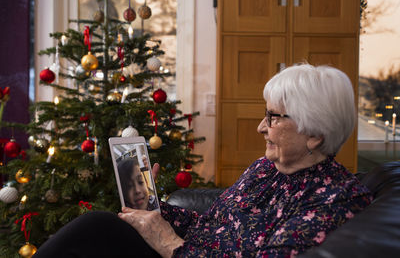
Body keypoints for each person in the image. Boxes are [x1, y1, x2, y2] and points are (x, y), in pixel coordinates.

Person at [34, 64, 372, 258]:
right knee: (98, 225)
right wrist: (154, 206)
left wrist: (168, 242)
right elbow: (207, 225)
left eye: (273, 118)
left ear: (314, 134)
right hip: (181, 251)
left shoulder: (335, 198)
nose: (260, 127)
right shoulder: (265, 168)